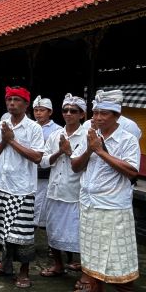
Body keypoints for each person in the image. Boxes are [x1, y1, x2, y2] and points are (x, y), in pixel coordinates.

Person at [71, 89, 140, 292]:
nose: (98, 118)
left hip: (113, 208)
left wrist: (100, 151)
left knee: (120, 261)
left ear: (117, 115)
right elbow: (75, 166)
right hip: (90, 205)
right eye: (96, 113)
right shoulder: (90, 135)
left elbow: (131, 171)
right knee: (93, 260)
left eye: (104, 113)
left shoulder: (127, 139)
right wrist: (90, 149)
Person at [0, 86, 44, 289]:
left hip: (22, 187)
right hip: (1, 183)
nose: (12, 103)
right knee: (2, 229)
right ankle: (4, 265)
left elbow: (37, 157)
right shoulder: (1, 125)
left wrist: (12, 140)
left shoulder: (34, 128)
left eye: (17, 100)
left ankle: (24, 272)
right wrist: (4, 141)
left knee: (23, 233)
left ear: (26, 104)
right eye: (9, 99)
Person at [39, 94, 87, 278]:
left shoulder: (87, 136)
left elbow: (83, 164)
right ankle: (58, 265)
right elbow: (43, 162)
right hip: (55, 189)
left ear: (82, 114)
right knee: (53, 229)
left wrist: (69, 152)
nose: (68, 114)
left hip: (75, 191)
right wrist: (60, 151)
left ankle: (83, 269)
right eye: (65, 110)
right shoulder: (55, 135)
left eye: (73, 111)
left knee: (77, 233)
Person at [32, 95, 61, 228]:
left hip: (47, 172)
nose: (38, 113)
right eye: (36, 110)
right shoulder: (30, 126)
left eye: (41, 110)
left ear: (49, 112)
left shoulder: (57, 130)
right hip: (31, 171)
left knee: (44, 204)